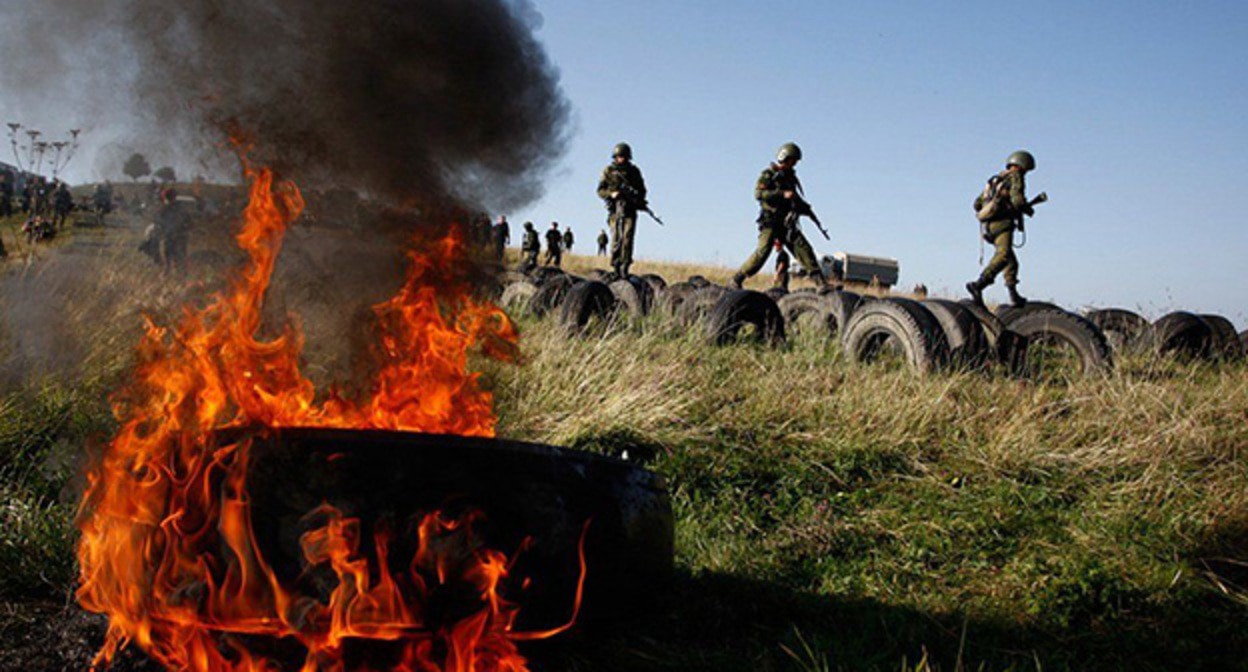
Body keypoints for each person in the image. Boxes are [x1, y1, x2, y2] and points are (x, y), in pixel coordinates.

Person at [732, 142, 827, 289]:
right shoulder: (768, 175)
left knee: (804, 249)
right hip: (770, 221)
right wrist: (782, 194)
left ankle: (821, 284)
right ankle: (737, 279)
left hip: (786, 223)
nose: (794, 164)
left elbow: (794, 198)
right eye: (793, 160)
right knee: (763, 252)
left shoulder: (790, 178)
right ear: (785, 158)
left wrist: (806, 209)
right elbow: (759, 194)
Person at [966, 150, 1037, 307]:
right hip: (1003, 224)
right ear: (1023, 165)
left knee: (1011, 261)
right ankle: (979, 284)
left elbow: (977, 204)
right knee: (1004, 255)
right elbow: (1018, 201)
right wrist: (1027, 209)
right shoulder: (1015, 177)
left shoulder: (996, 180)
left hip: (988, 226)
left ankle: (1013, 295)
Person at [596, 142, 647, 279]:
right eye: (619, 156)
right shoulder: (608, 171)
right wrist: (611, 194)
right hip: (615, 210)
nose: (621, 159)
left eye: (624, 156)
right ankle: (615, 265)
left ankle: (625, 266)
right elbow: (600, 190)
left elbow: (642, 190)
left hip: (630, 210)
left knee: (627, 238)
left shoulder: (634, 172)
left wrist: (636, 198)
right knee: (616, 238)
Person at [154, 187, 189, 272]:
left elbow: (157, 225)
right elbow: (189, 224)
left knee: (167, 265)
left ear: (164, 198)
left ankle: (168, 282)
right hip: (180, 238)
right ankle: (181, 281)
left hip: (168, 239)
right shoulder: (182, 210)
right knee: (180, 264)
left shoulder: (162, 210)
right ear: (175, 197)